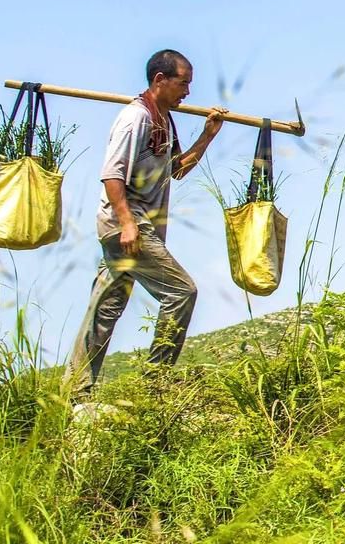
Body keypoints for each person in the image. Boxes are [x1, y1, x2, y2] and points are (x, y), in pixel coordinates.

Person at [63, 49, 225, 400]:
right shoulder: (135, 118)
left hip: (135, 227)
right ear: (159, 80)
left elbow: (177, 170)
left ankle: (74, 391)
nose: (187, 92)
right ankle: (155, 387)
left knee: (105, 308)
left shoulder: (164, 120)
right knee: (181, 291)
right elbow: (111, 174)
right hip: (128, 225)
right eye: (183, 84)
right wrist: (127, 224)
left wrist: (208, 135)